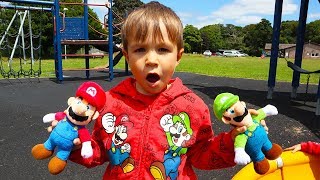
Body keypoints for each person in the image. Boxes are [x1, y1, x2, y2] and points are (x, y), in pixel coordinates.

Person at [69, 1, 264, 179]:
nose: (151, 60)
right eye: (140, 50)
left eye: (162, 49)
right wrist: (74, 145)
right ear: (127, 57)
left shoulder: (192, 107)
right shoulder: (110, 103)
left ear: (178, 56)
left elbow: (200, 156)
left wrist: (233, 141)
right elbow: (99, 151)